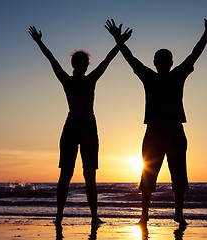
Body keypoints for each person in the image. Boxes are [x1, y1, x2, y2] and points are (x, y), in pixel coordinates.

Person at [105, 15, 207, 226]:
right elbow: (195, 54)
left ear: (156, 63)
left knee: (155, 174)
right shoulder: (174, 75)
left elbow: (130, 58)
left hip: (160, 132)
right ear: (170, 63)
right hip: (170, 131)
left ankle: (148, 214)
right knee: (172, 175)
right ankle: (172, 214)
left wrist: (118, 39)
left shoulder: (153, 76)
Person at [28, 25, 132, 225]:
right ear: (84, 65)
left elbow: (52, 60)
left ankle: (63, 216)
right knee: (86, 175)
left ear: (75, 64)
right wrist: (120, 41)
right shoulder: (89, 79)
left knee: (68, 174)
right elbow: (107, 60)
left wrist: (39, 42)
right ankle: (89, 217)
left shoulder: (69, 80)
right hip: (85, 128)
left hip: (74, 127)